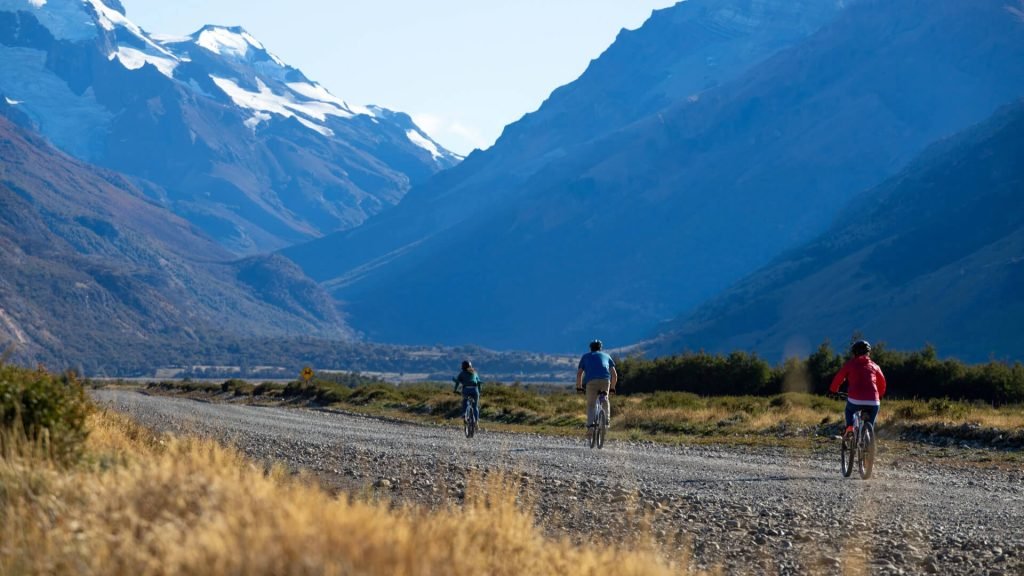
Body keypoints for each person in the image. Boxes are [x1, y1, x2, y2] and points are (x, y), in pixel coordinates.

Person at [829, 340, 887, 437]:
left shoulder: (850, 364)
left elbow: (839, 377)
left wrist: (833, 390)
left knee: (849, 410)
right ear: (868, 352)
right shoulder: (875, 366)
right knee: (871, 418)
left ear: (854, 353)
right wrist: (879, 395)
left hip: (855, 400)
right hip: (873, 402)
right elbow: (882, 383)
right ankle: (869, 432)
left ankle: (850, 427)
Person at [576, 339, 618, 428]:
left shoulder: (585, 357)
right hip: (605, 381)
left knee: (591, 404)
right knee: (605, 399)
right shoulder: (607, 356)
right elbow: (614, 374)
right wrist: (612, 388)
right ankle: (606, 421)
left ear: (590, 348)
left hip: (591, 382)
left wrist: (579, 387)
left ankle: (591, 425)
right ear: (600, 348)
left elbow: (579, 374)